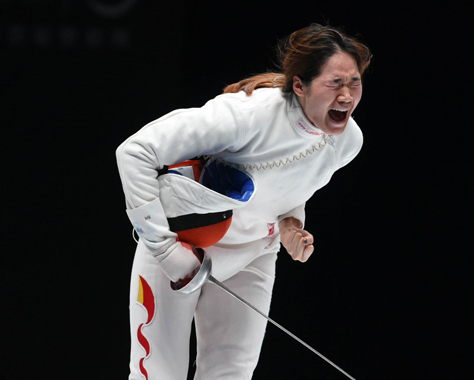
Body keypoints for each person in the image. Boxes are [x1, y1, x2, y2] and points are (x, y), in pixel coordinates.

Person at [116, 23, 372, 380]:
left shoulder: (347, 142)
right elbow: (134, 151)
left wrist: (290, 226)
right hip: (181, 248)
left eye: (354, 82)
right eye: (334, 83)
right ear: (299, 84)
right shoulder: (246, 115)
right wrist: (164, 248)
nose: (346, 96)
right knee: (157, 374)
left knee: (231, 375)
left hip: (253, 256)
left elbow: (291, 189)